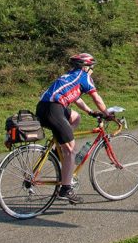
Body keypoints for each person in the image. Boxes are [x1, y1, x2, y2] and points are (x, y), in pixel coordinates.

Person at [35, 52, 110, 204]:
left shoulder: (70, 75)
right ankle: (65, 189)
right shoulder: (84, 77)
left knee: (75, 117)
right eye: (91, 67)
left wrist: (89, 111)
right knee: (71, 151)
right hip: (53, 109)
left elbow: (76, 97)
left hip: (45, 107)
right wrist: (107, 113)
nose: (92, 70)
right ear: (85, 67)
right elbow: (96, 98)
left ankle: (59, 149)